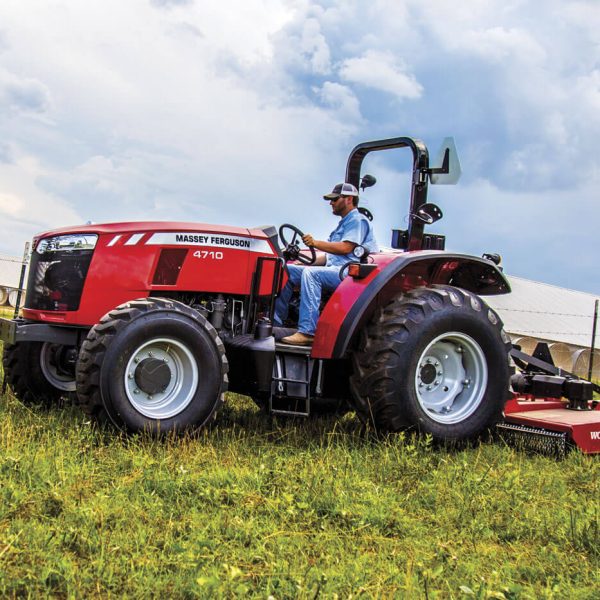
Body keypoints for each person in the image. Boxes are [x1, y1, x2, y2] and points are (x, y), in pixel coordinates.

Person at [274, 182, 378, 346]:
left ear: (349, 199)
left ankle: (307, 331)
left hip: (348, 273)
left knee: (311, 274)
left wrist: (315, 243)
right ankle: (275, 323)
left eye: (335, 199)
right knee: (286, 270)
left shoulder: (357, 220)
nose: (331, 203)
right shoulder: (343, 223)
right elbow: (328, 257)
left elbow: (346, 248)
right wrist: (301, 258)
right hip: (333, 268)